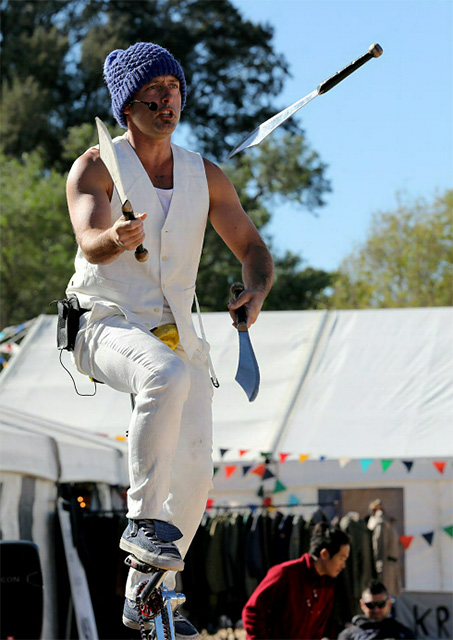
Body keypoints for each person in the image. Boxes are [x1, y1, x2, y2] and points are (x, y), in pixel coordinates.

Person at [65, 42, 274, 637]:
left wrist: (254, 291)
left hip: (176, 331)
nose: (167, 101)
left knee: (196, 476)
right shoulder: (95, 166)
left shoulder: (203, 174)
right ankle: (138, 523)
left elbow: (254, 250)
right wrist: (118, 236)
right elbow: (89, 242)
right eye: (153, 93)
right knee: (166, 374)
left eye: (174, 91)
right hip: (102, 320)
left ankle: (147, 598)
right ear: (127, 106)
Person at [241, 522, 351, 639]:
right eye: (341, 558)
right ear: (324, 554)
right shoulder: (285, 573)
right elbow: (252, 612)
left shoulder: (327, 587)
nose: (343, 565)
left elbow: (317, 632)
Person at [337, 579, 415, 639]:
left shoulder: (403, 633)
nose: (376, 610)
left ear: (389, 603)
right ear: (362, 604)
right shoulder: (349, 635)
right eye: (370, 605)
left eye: (381, 604)